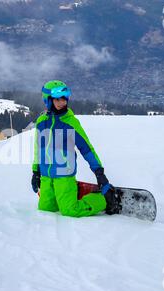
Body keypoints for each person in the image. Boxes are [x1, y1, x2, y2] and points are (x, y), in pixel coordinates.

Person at [31, 80, 118, 217]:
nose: (62, 103)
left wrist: (99, 173)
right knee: (45, 210)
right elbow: (38, 149)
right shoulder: (41, 122)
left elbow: (87, 149)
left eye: (64, 99)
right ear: (48, 101)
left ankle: (103, 200)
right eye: (58, 99)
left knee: (70, 210)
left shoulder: (70, 122)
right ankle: (70, 194)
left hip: (64, 175)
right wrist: (36, 172)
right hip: (46, 177)